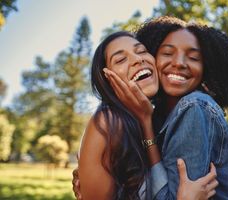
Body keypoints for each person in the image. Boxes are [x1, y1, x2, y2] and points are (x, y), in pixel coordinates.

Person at [104, 16, 228, 199]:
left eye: (193, 57)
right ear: (151, 58)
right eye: (168, 53)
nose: (179, 62)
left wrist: (145, 124)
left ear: (206, 68)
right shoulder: (155, 115)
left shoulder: (194, 107)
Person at [77, 31, 218, 200]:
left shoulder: (159, 119)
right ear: (107, 80)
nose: (138, 59)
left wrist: (146, 122)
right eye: (121, 59)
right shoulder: (107, 123)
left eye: (142, 51)